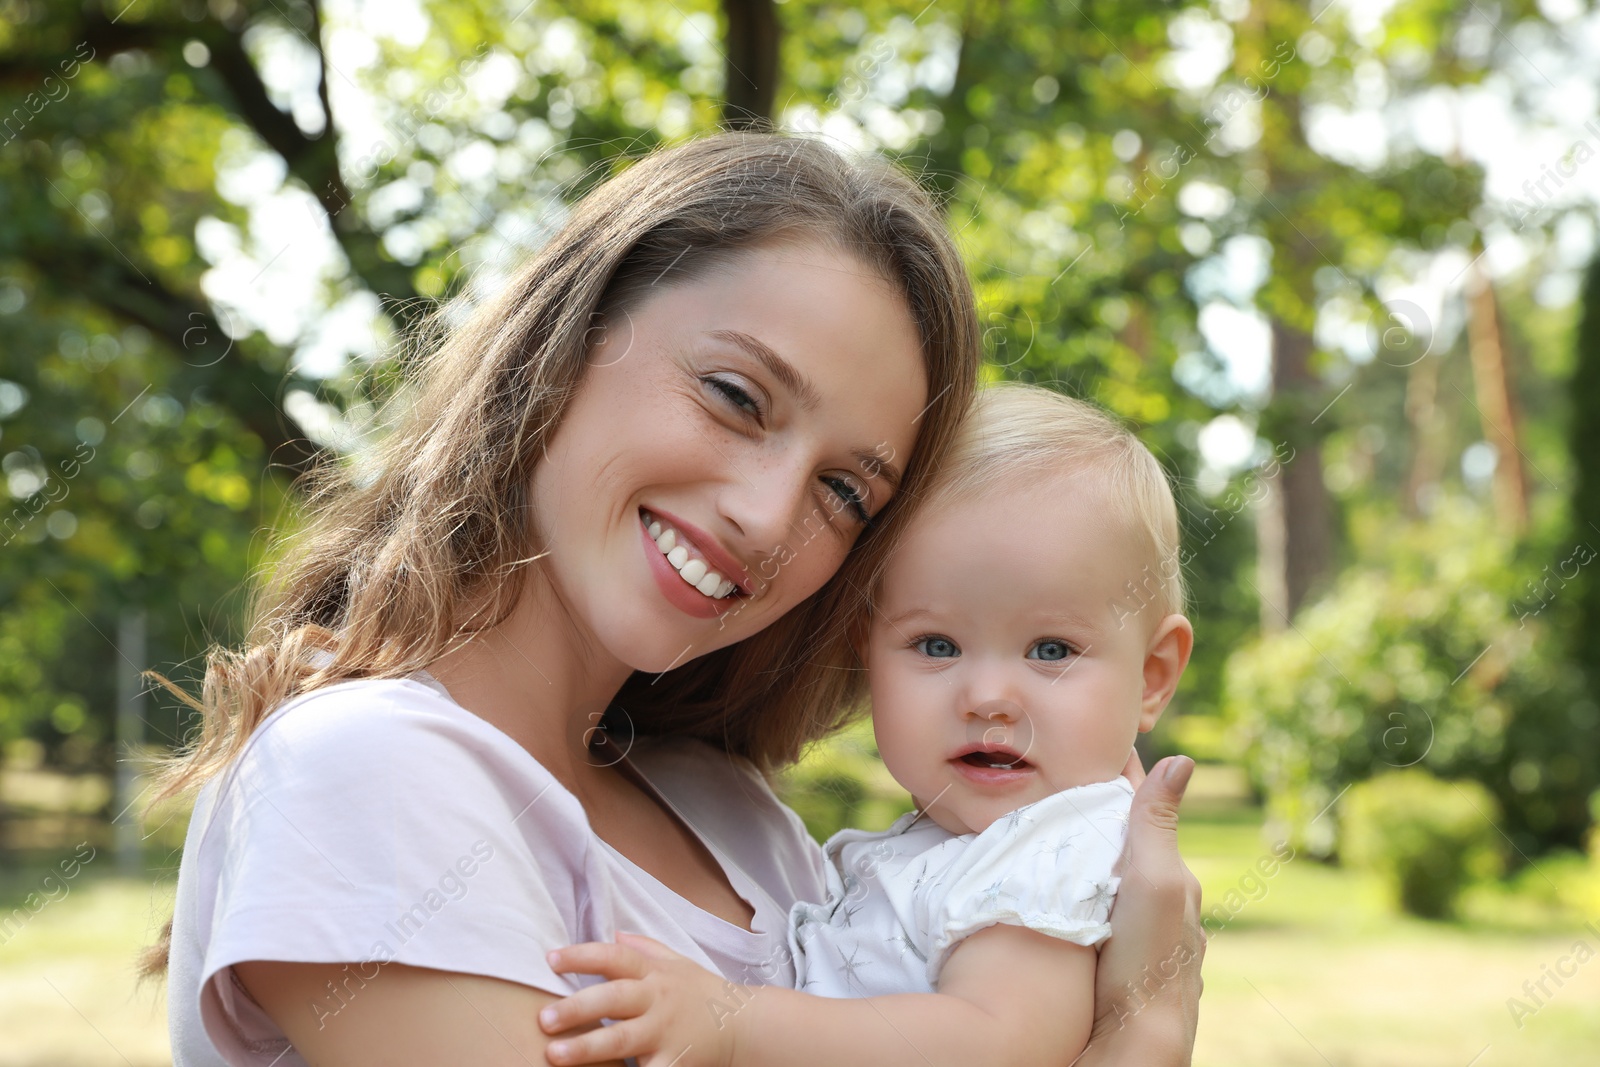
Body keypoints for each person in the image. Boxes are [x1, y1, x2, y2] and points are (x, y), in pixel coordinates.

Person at [146, 132, 1204, 1067]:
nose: (764, 513)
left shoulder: (740, 822)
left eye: (845, 490)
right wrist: (1143, 1032)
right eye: (736, 396)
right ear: (566, 336)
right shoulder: (370, 770)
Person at [538, 384, 1196, 1067]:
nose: (989, 697)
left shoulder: (1051, 850)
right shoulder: (962, 846)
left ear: (1152, 677)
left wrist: (735, 1026)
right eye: (937, 645)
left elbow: (997, 1041)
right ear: (867, 652)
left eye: (1051, 650)